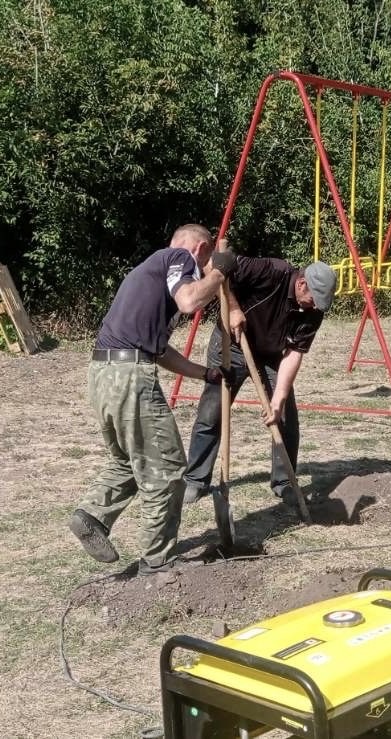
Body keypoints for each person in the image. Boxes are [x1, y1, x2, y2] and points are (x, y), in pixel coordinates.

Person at [68, 224, 237, 575]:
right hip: (130, 377)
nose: (203, 269)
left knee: (127, 461)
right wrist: (220, 270)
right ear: (202, 248)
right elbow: (190, 300)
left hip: (103, 373)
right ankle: (157, 562)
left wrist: (204, 373)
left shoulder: (148, 274)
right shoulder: (178, 258)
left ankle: (93, 515)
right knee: (168, 468)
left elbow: (158, 350)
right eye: (205, 260)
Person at [183, 256, 337, 507]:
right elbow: (213, 264)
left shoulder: (313, 312)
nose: (315, 307)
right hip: (231, 346)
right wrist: (233, 308)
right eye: (313, 300)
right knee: (212, 411)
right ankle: (195, 480)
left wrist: (278, 400)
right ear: (301, 284)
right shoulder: (270, 272)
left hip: (273, 356)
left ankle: (284, 482)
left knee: (285, 413)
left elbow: (294, 353)